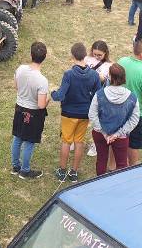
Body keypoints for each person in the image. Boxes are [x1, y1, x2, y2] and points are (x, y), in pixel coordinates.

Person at [52, 43, 102, 182]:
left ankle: (62, 171)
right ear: (85, 55)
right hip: (84, 114)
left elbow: (61, 95)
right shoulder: (94, 75)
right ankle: (73, 172)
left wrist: (53, 94)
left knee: (66, 141)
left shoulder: (69, 74)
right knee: (79, 142)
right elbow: (98, 95)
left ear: (72, 56)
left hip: (68, 113)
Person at [88, 64, 139, 176]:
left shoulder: (100, 94)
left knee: (101, 160)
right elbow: (134, 119)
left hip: (100, 134)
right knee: (122, 164)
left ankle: (99, 184)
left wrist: (103, 132)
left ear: (110, 77)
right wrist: (118, 133)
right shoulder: (132, 97)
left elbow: (92, 114)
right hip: (121, 137)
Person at [11, 42, 51, 179]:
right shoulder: (42, 80)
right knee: (29, 142)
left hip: (19, 108)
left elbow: (16, 86)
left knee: (17, 137)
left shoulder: (20, 68)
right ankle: (25, 171)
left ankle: (15, 167)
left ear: (31, 54)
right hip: (33, 113)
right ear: (45, 57)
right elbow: (41, 105)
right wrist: (48, 99)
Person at [117, 40, 142, 166]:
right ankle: (132, 168)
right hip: (137, 115)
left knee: (120, 139)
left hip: (119, 109)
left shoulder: (121, 61)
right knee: (134, 145)